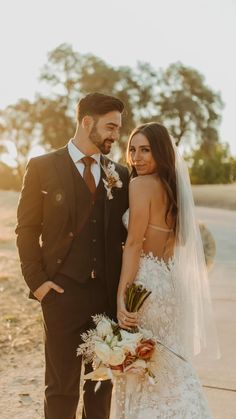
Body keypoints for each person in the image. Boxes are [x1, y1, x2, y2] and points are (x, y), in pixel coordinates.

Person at [15, 92, 129, 419]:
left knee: (100, 389)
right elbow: (26, 229)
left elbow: (130, 236)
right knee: (61, 390)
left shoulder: (120, 174)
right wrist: (37, 283)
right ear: (86, 122)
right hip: (60, 296)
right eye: (110, 127)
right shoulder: (41, 167)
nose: (115, 135)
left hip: (106, 302)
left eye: (118, 128)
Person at [111, 122, 220, 418]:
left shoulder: (140, 185)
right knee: (170, 365)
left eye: (145, 150)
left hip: (145, 286)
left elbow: (133, 244)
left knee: (143, 369)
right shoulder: (173, 190)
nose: (137, 157)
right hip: (171, 287)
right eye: (132, 150)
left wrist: (122, 297)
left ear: (161, 151)